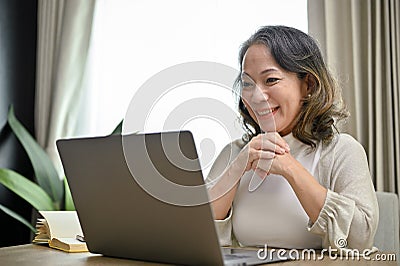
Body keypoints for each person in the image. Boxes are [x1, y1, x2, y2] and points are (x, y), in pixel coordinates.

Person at [206, 25, 378, 251]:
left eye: (270, 80)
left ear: (308, 84)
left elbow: (360, 239)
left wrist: (290, 168)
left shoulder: (341, 150)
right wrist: (236, 169)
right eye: (248, 83)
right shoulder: (235, 152)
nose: (257, 96)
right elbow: (196, 234)